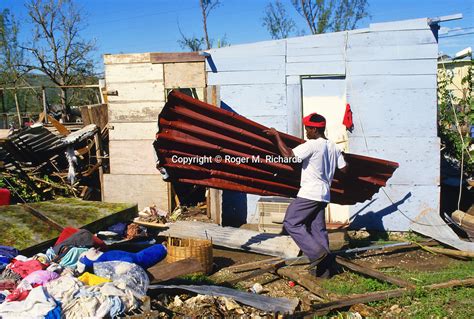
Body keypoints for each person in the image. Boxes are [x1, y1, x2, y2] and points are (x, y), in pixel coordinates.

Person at [264, 113, 347, 278]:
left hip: (310, 193)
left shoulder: (312, 145)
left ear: (315, 129)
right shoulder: (333, 147)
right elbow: (345, 169)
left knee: (291, 222)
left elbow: (288, 156)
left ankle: (317, 254)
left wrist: (277, 136)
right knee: (318, 230)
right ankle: (326, 270)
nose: (306, 133)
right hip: (324, 194)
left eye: (307, 129)